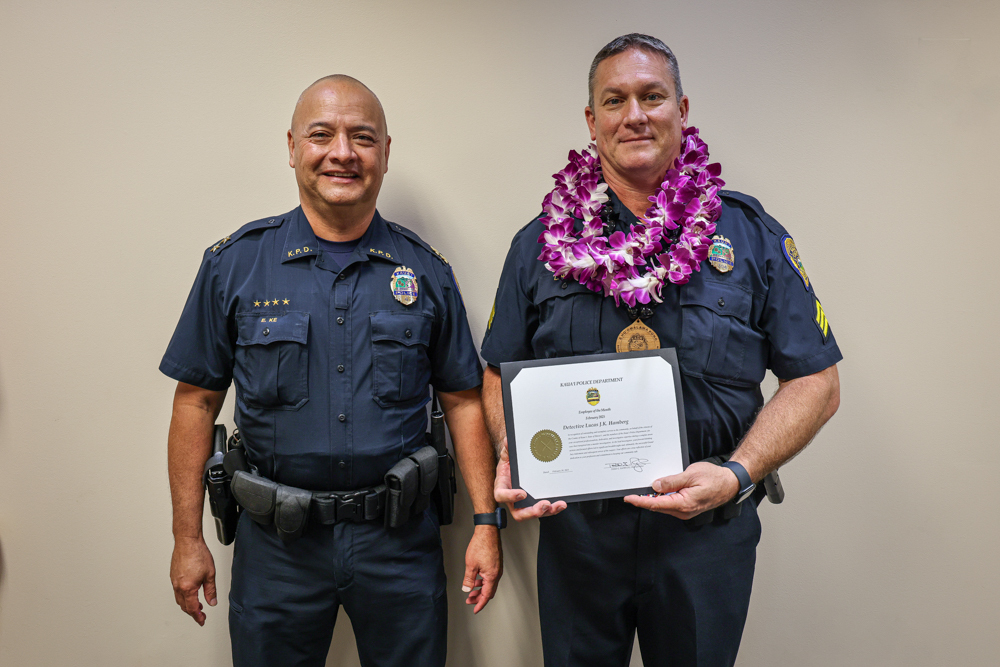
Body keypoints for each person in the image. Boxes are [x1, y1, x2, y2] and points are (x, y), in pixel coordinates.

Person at [481, 34, 841, 667]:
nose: (635, 114)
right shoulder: (538, 244)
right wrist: (513, 452)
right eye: (614, 100)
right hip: (578, 534)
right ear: (591, 122)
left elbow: (817, 380)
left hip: (703, 532)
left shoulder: (749, 235)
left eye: (652, 96)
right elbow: (495, 368)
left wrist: (737, 474)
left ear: (681, 108)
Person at [161, 75, 501, 667]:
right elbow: (195, 403)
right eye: (322, 134)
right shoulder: (235, 266)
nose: (342, 152)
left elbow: (463, 400)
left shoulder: (425, 271)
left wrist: (485, 522)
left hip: (399, 545)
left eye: (362, 137)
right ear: (292, 147)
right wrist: (187, 539)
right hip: (277, 549)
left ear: (385, 153)